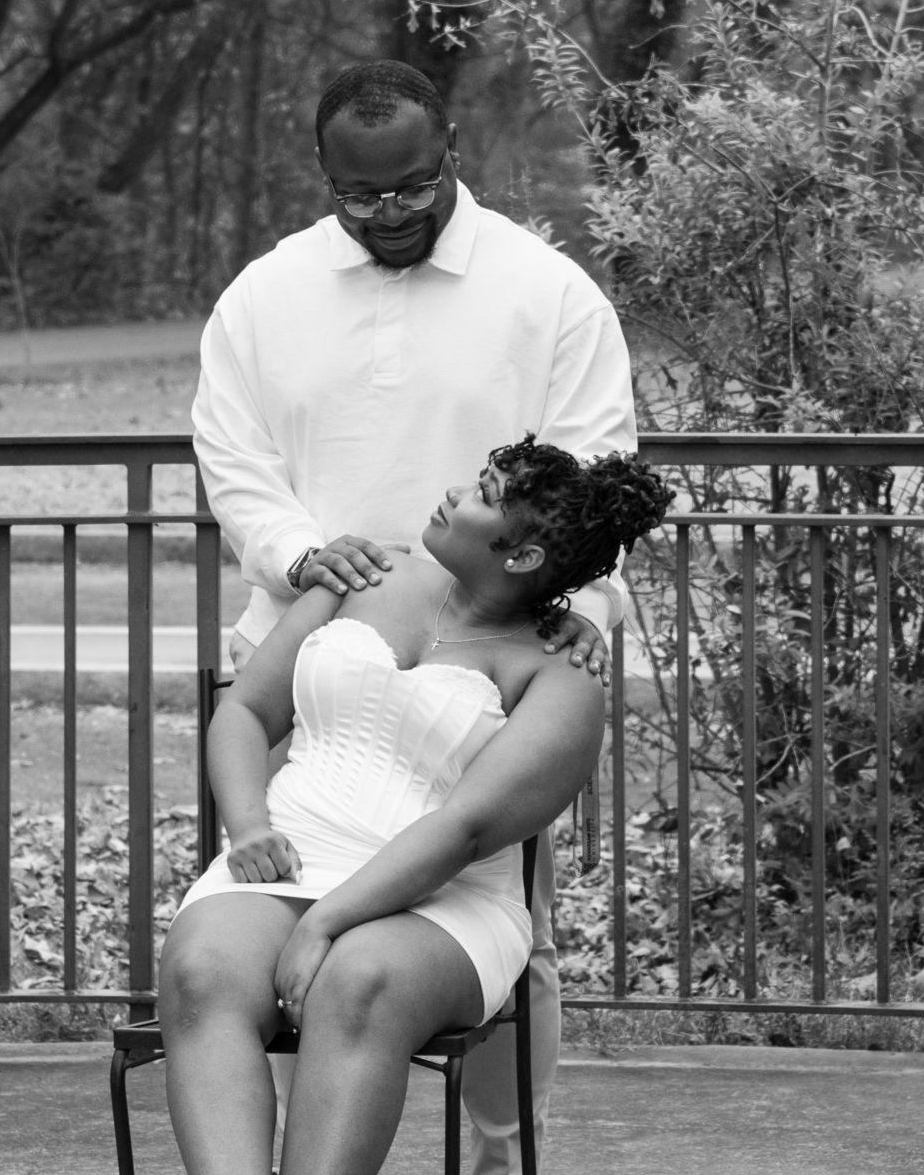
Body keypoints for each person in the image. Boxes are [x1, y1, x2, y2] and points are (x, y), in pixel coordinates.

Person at [190, 59, 638, 1174]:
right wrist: (305, 557)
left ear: (451, 152)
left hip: (492, 668)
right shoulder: (264, 295)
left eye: (411, 185)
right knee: (256, 948)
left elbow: (591, 472)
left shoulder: (548, 294)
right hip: (316, 650)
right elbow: (233, 462)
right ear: (322, 172)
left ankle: (500, 1152)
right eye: (359, 193)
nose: (388, 211)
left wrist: (571, 608)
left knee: (503, 928)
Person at [159, 438, 670, 1175]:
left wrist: (326, 923)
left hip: (445, 897)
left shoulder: (562, 674)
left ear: (523, 556)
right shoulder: (365, 573)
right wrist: (248, 826)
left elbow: (464, 830)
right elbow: (244, 711)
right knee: (200, 972)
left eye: (484, 494)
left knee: (359, 979)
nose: (456, 491)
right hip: (290, 856)